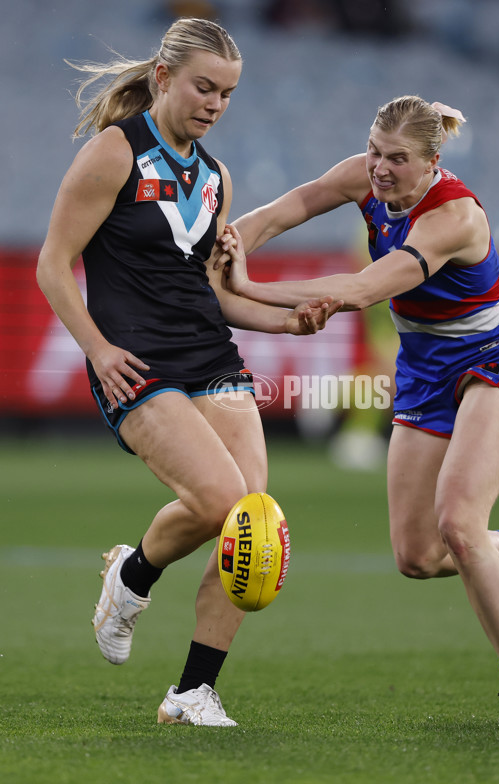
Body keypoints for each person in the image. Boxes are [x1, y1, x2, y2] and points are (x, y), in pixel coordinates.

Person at [36, 17, 341, 728]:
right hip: (136, 362)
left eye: (228, 94)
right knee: (216, 501)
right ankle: (132, 576)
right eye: (205, 87)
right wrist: (98, 349)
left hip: (210, 357)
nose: (215, 104)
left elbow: (219, 296)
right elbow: (52, 264)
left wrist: (289, 320)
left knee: (252, 525)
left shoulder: (215, 179)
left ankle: (193, 692)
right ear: (165, 78)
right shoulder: (115, 152)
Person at [216, 95, 499, 723]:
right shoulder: (363, 175)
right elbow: (289, 207)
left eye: (397, 159)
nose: (379, 168)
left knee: (458, 521)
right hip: (426, 369)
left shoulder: (452, 215)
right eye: (375, 150)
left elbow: (363, 290)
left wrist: (246, 286)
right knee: (418, 556)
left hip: (496, 357)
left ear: (431, 163)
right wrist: (228, 244)